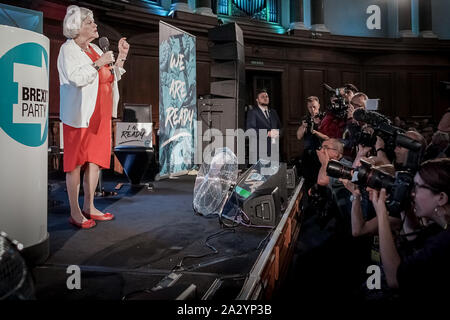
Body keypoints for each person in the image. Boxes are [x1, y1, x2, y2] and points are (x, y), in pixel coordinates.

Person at [58, 5, 129, 229]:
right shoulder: (68, 50)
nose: (95, 25)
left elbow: (110, 76)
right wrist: (98, 64)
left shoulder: (96, 50)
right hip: (79, 116)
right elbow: (75, 78)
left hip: (100, 115)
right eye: (89, 23)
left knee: (95, 162)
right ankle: (75, 211)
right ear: (76, 27)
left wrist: (121, 58)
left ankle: (90, 206)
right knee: (75, 164)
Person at [371, 158, 450, 302]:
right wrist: (404, 205)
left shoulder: (445, 241)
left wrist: (381, 213)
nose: (412, 193)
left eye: (417, 187)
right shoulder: (440, 227)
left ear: (441, 197)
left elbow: (395, 278)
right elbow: (416, 241)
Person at [296, 96, 329, 189]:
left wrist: (316, 128)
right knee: (307, 180)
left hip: (321, 153)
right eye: (310, 107)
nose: (312, 109)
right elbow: (299, 136)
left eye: (314, 106)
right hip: (308, 153)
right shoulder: (306, 118)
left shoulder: (325, 118)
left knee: (320, 181)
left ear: (319, 105)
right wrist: (303, 127)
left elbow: (327, 138)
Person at [246, 89, 281, 159]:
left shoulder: (273, 112)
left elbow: (281, 127)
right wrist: (268, 133)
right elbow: (250, 130)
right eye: (262, 97)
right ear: (257, 100)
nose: (265, 98)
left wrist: (278, 133)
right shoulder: (253, 112)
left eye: (267, 96)